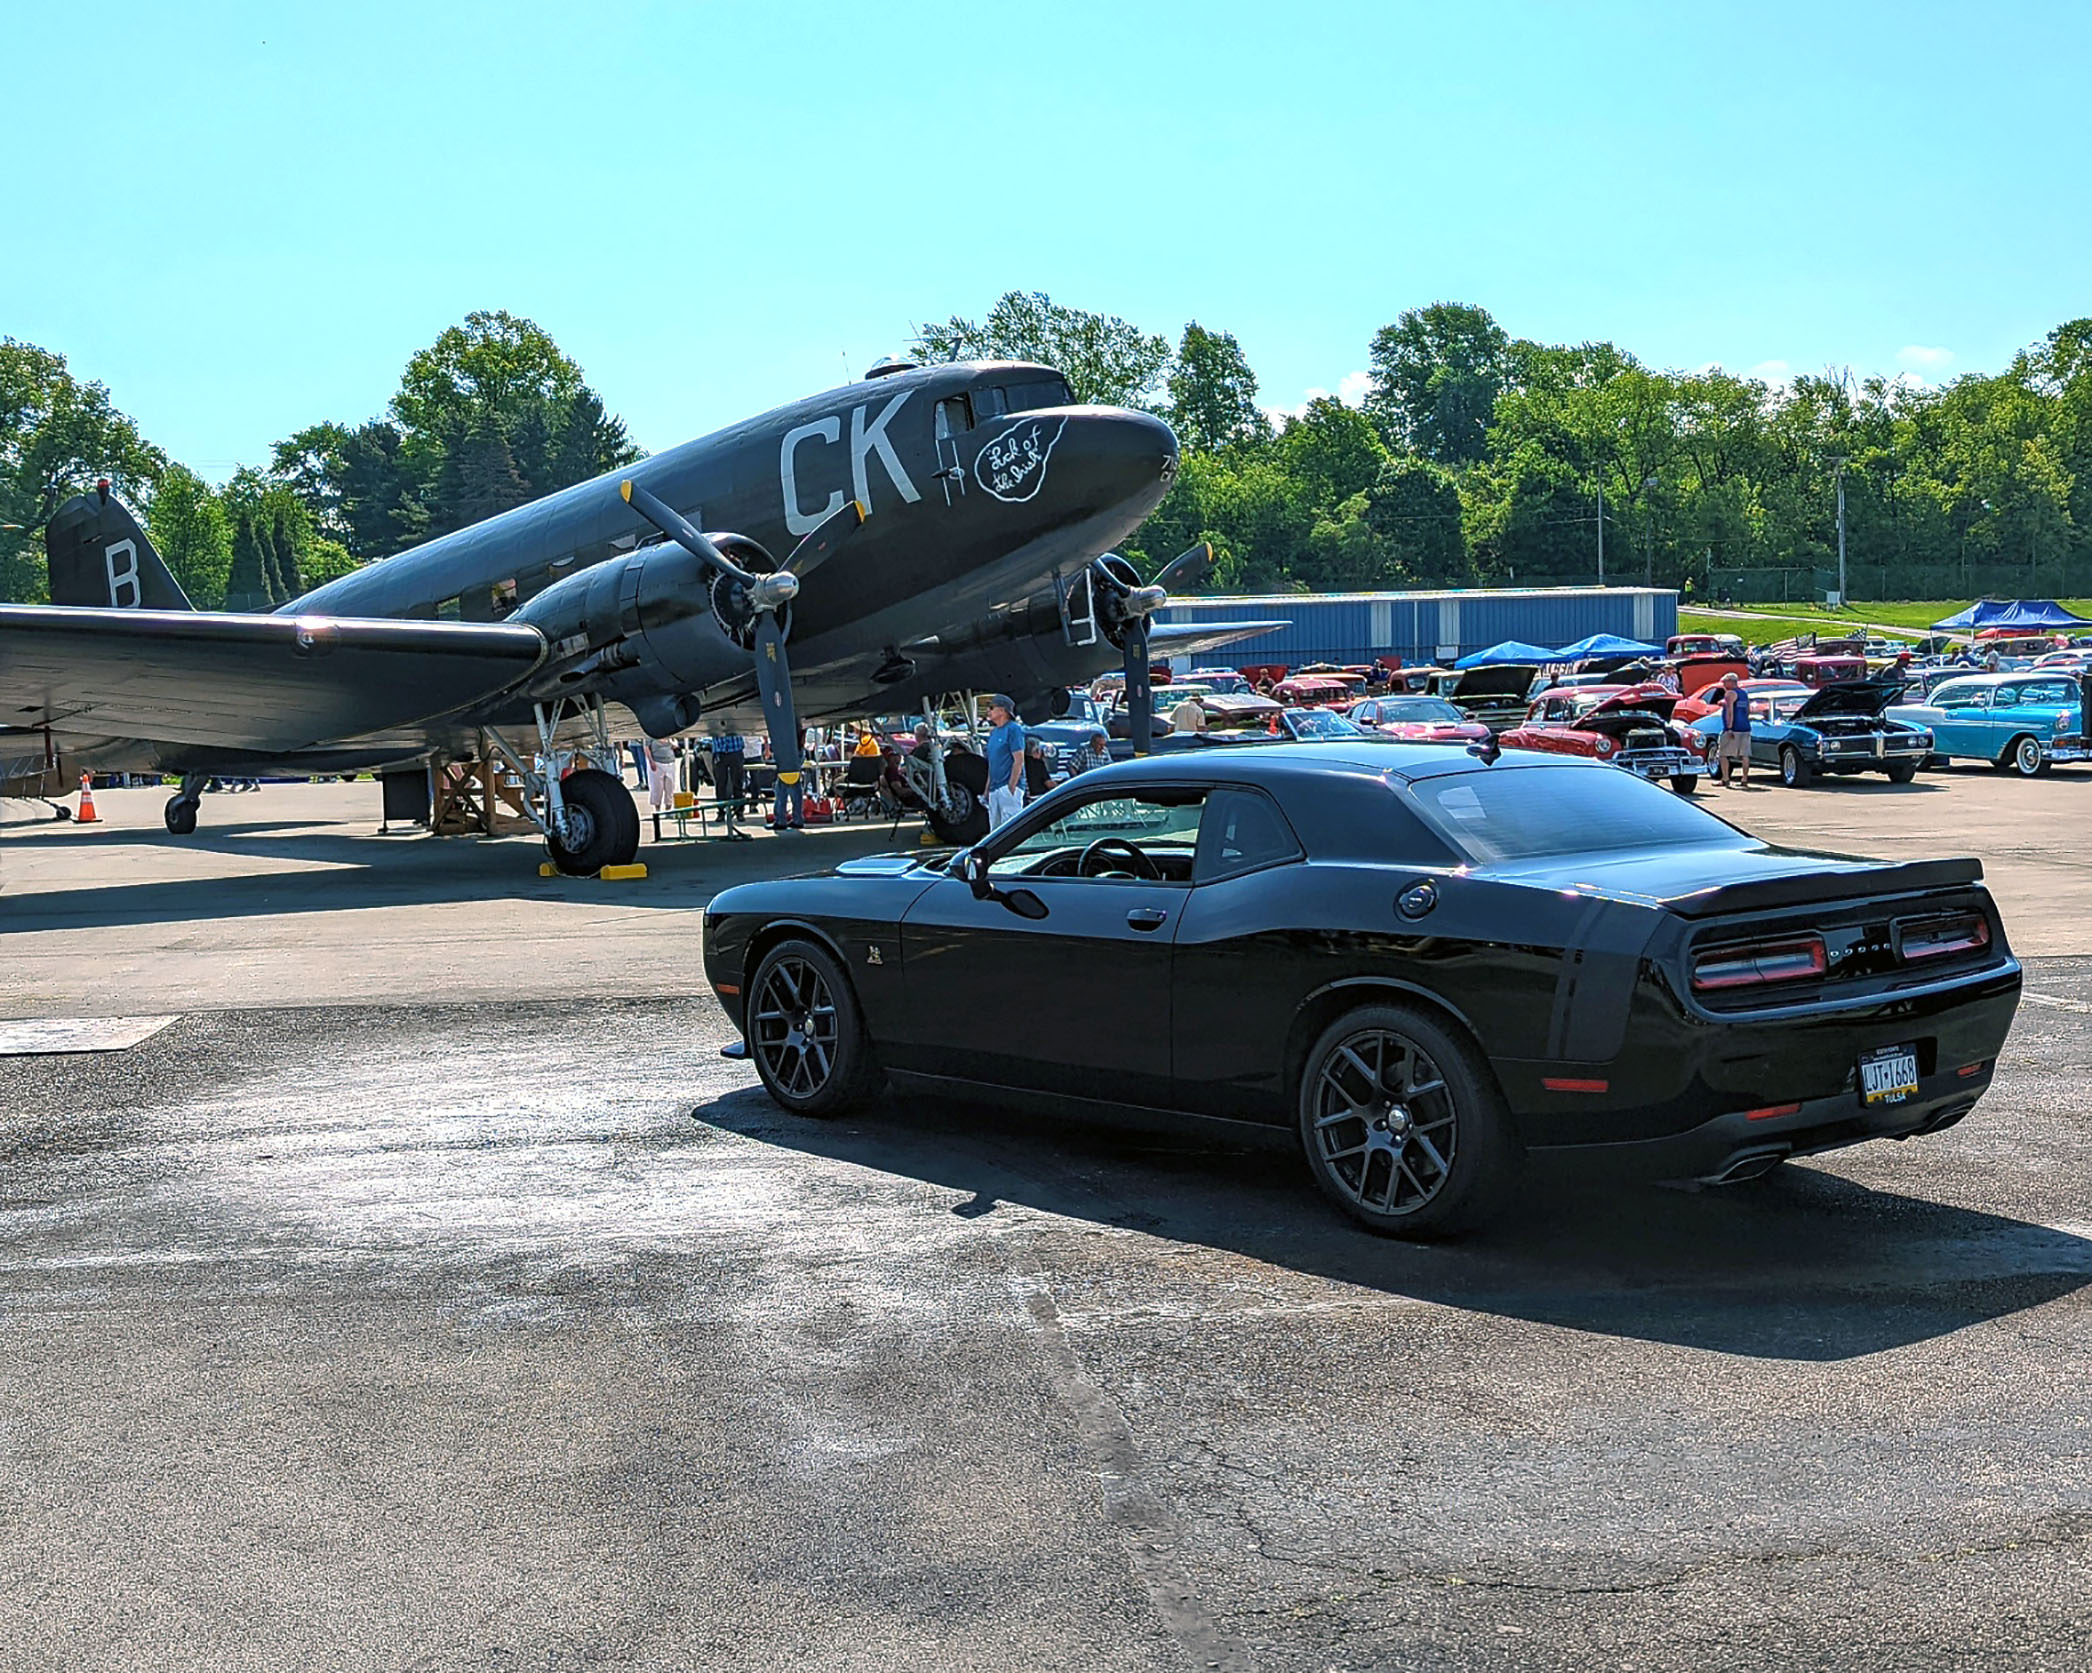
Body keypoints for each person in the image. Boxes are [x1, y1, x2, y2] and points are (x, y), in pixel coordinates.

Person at [983, 694, 1026, 830]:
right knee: (994, 831)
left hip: (1007, 787)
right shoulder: (993, 733)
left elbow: (1018, 759)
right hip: (994, 789)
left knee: (1011, 829)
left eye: (991, 707)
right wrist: (987, 789)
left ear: (1002, 710)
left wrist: (1011, 787)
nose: (988, 711)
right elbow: (992, 763)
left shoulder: (1014, 729)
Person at [1715, 672, 1752, 789]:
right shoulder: (1744, 693)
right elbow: (1747, 709)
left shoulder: (1730, 694)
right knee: (1744, 754)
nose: (1724, 685)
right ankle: (1744, 778)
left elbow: (1730, 712)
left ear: (1731, 682)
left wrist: (1729, 727)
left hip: (1733, 728)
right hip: (1745, 726)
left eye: (1725, 682)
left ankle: (1725, 778)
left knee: (1723, 754)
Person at [772, 726, 808, 830]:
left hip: (787, 752)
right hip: (797, 751)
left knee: (781, 790)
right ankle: (797, 819)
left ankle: (780, 820)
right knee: (795, 788)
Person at [645, 736, 679, 814]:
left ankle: (668, 809)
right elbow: (646, 748)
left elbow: (676, 745)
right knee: (657, 787)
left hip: (670, 762)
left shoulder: (670, 734)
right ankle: (657, 809)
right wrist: (651, 761)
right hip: (657, 763)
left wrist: (674, 744)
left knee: (670, 786)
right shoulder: (651, 734)